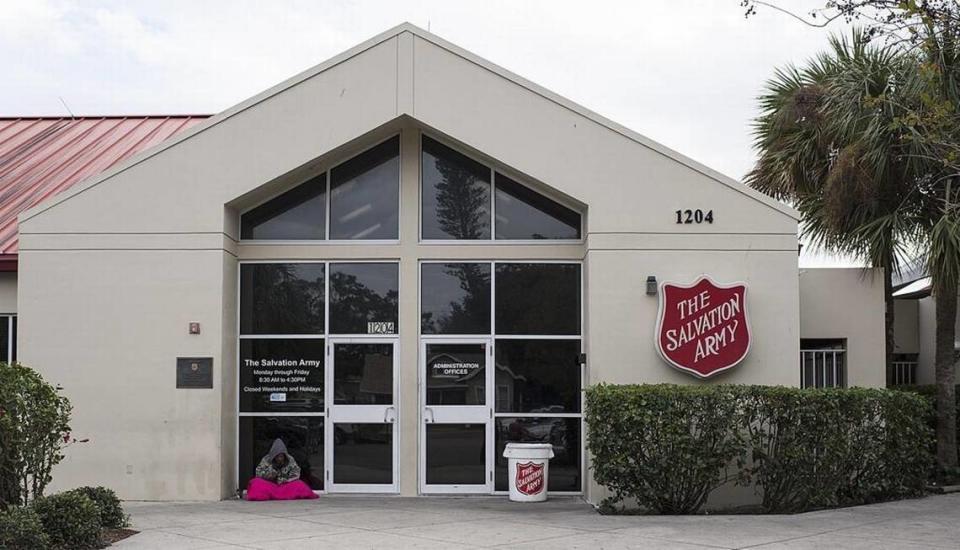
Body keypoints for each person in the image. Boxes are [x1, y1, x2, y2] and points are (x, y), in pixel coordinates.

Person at [245, 438, 318, 501]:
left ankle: (281, 494)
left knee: (300, 484)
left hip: (285, 485)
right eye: (277, 457)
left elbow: (296, 473)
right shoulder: (266, 459)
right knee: (255, 482)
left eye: (281, 456)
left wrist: (287, 480)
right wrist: (269, 475)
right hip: (270, 485)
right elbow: (258, 473)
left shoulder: (290, 460)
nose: (280, 459)